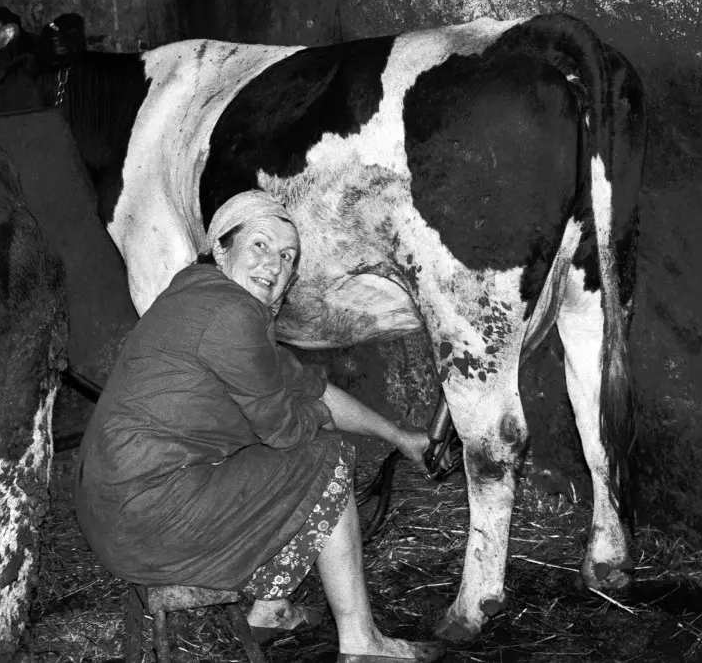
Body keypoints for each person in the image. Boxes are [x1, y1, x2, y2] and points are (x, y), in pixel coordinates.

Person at [75, 190, 446, 662]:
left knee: (287, 455)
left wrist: (399, 437)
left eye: (288, 257)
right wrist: (320, 422)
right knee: (324, 456)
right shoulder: (234, 315)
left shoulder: (197, 294)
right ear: (223, 248)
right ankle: (362, 642)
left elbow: (310, 388)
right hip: (148, 519)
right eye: (260, 245)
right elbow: (288, 429)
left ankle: (270, 609)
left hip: (109, 507)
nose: (274, 265)